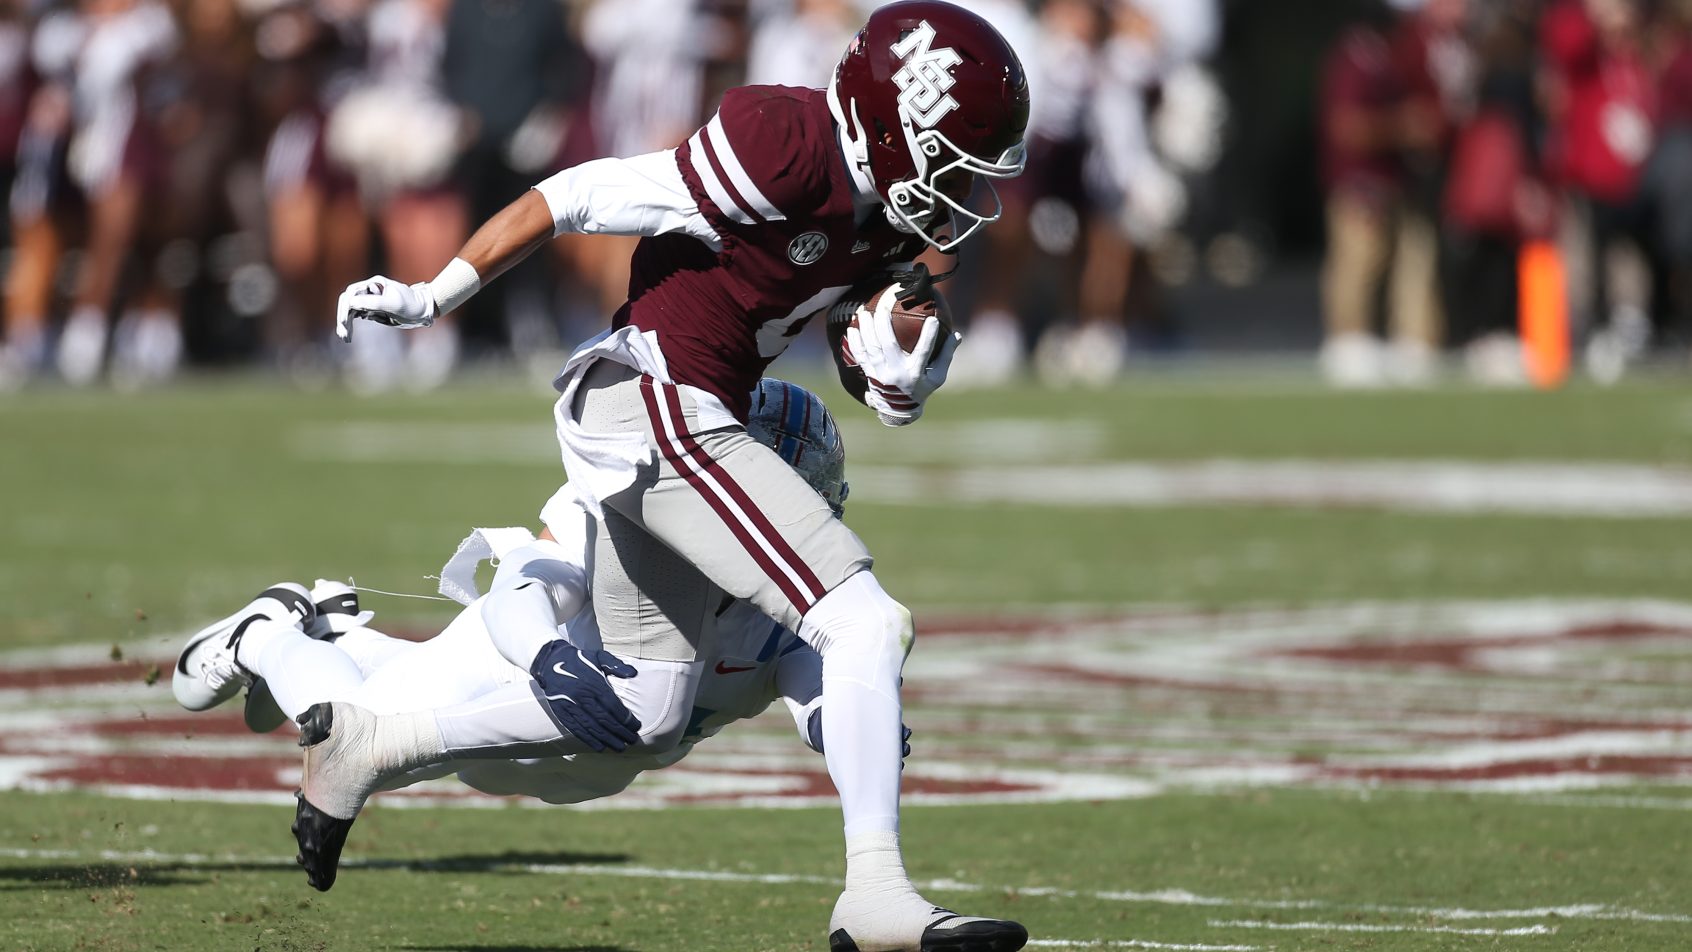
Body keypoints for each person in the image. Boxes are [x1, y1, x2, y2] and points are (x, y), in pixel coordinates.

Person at [324, 3, 1030, 950]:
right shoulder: (781, 144)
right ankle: (875, 896)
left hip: (683, 415)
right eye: (950, 166)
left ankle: (373, 745)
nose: (960, 201)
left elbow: (823, 319)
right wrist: (432, 294)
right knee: (859, 615)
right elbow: (576, 194)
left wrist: (891, 369)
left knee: (648, 706)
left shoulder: (881, 213)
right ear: (888, 124)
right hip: (652, 394)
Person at [174, 379, 896, 824]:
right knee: (355, 734)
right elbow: (519, 592)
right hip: (505, 673)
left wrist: (859, 729)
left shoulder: (798, 608)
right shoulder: (640, 505)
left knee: (389, 717)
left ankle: (336, 629)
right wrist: (548, 656)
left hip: (573, 763)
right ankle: (267, 632)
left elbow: (823, 692)